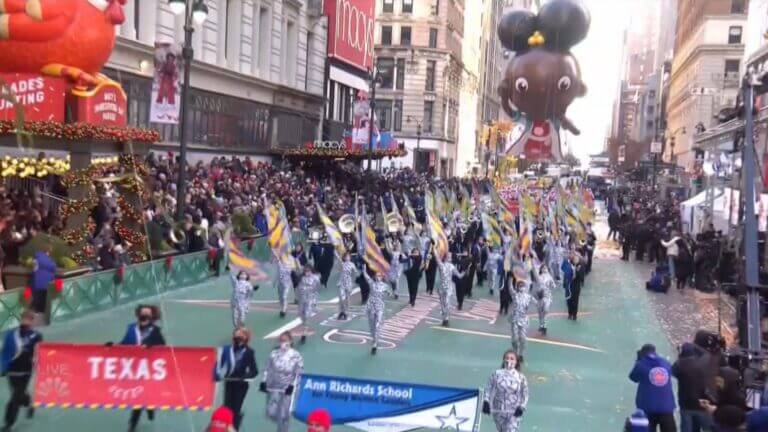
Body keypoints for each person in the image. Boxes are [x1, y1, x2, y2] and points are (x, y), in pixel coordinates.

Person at [117, 305, 166, 432]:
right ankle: (132, 424)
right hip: (135, 370)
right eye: (142, 315)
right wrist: (111, 347)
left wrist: (152, 344)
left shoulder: (156, 331)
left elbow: (163, 348)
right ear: (138, 316)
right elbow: (123, 344)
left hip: (150, 370)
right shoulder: (131, 329)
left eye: (147, 316)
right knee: (139, 398)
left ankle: (149, 408)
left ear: (152, 318)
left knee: (147, 396)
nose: (144, 317)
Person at [1, 311, 41, 432]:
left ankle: (9, 424)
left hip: (26, 371)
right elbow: (5, 353)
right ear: (21, 319)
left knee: (15, 397)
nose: (26, 321)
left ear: (32, 321)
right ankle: (29, 404)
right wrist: (2, 368)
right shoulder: (11, 335)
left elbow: (40, 353)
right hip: (12, 371)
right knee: (19, 394)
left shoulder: (36, 336)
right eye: (25, 319)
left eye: (29, 319)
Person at [214, 327, 258, 430]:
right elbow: (220, 364)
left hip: (241, 385)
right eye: (236, 335)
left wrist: (244, 377)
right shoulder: (228, 350)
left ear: (245, 337)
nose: (237, 337)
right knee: (227, 408)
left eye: (240, 335)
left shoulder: (249, 352)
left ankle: (235, 428)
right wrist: (218, 374)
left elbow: (254, 371)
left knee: (235, 409)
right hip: (229, 382)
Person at [260, 331, 303, 432]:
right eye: (281, 340)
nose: (283, 342)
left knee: (284, 415)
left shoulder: (296, 355)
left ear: (291, 341)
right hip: (273, 386)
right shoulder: (274, 353)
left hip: (287, 388)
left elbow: (299, 372)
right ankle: (281, 421)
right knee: (270, 412)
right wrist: (263, 381)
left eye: (285, 340)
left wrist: (292, 385)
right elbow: (267, 368)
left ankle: (283, 428)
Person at [629, 344, 676, 432]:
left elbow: (633, 377)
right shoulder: (666, 363)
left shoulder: (641, 364)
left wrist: (638, 361)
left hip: (647, 406)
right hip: (666, 406)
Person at [482, 349, 529, 432]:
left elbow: (525, 393)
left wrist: (522, 406)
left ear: (516, 361)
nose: (509, 360)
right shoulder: (496, 374)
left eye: (512, 358)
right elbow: (488, 388)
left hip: (513, 412)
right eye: (507, 358)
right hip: (498, 411)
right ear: (503, 360)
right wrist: (486, 401)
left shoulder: (521, 377)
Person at [672, 343, 713, 432]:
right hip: (701, 403)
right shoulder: (700, 364)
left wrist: (679, 356)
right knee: (705, 428)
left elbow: (672, 371)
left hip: (685, 404)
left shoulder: (680, 364)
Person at [363, 269, 390, 355]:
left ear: (382, 277)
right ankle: (374, 338)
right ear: (375, 277)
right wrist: (364, 270)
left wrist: (389, 293)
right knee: (372, 325)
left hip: (380, 306)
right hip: (371, 306)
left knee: (377, 324)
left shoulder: (385, 286)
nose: (378, 277)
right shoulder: (372, 284)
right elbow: (366, 277)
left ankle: (375, 343)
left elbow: (390, 292)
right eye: (377, 276)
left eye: (380, 276)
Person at [436, 252, 464, 327]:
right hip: (441, 287)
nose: (451, 257)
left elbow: (459, 276)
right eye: (449, 256)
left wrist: (464, 272)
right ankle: (444, 319)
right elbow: (437, 257)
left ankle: (446, 319)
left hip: (448, 287)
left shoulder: (452, 266)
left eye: (451, 256)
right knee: (442, 303)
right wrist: (435, 248)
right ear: (445, 257)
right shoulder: (441, 265)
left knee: (447, 303)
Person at [296, 265, 320, 344]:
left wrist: (315, 301)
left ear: (311, 271)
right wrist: (297, 297)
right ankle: (304, 326)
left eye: (308, 271)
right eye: (305, 271)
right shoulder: (302, 278)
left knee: (306, 315)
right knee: (300, 314)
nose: (307, 272)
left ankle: (304, 333)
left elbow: (317, 290)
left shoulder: (315, 279)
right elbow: (298, 288)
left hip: (310, 300)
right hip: (302, 300)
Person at [30, 246, 57, 314]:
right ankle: (42, 311)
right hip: (45, 282)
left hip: (36, 281)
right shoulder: (46, 259)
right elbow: (53, 267)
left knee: (37, 297)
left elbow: (34, 269)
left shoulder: (36, 258)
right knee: (44, 297)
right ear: (47, 252)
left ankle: (36, 310)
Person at [509, 280, 532, 357]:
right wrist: (509, 277)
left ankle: (521, 353)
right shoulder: (514, 295)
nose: (521, 288)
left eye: (523, 286)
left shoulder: (529, 297)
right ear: (517, 288)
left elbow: (537, 303)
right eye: (520, 286)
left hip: (524, 320)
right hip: (515, 319)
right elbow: (510, 287)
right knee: (514, 339)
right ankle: (515, 352)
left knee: (523, 338)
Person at [531, 264, 554, 335]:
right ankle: (541, 325)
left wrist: (549, 286)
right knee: (540, 312)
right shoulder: (539, 277)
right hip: (539, 297)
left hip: (547, 296)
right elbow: (534, 274)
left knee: (545, 310)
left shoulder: (550, 277)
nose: (544, 269)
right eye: (543, 268)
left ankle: (545, 327)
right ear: (541, 269)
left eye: (546, 268)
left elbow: (553, 286)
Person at [336, 252, 358, 320]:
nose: (347, 258)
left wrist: (353, 282)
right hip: (342, 283)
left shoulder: (352, 264)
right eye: (346, 256)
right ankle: (341, 312)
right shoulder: (342, 264)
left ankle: (346, 313)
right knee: (341, 299)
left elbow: (355, 273)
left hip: (349, 284)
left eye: (348, 256)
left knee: (347, 299)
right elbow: (338, 269)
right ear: (344, 257)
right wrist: (339, 259)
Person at [275, 254, 295, 318]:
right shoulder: (279, 264)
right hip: (280, 283)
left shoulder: (289, 265)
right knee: (280, 298)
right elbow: (277, 273)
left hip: (287, 283)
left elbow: (292, 270)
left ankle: (284, 310)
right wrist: (274, 282)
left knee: (284, 296)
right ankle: (282, 308)